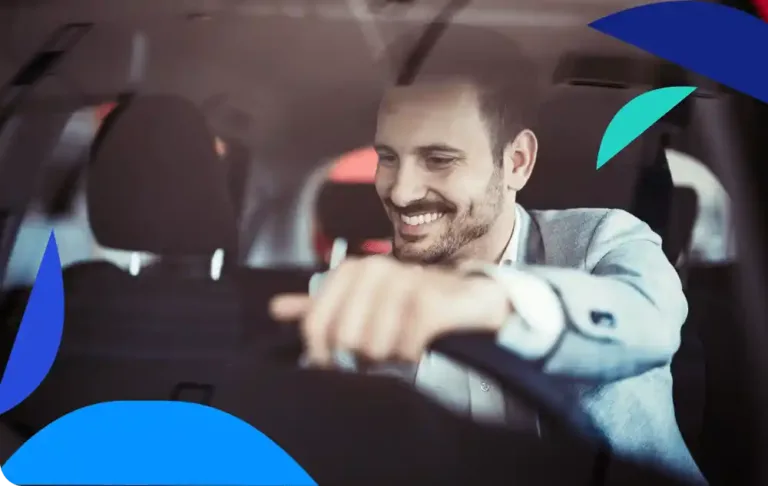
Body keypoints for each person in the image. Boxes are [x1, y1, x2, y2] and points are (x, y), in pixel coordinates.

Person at [270, 30, 705, 483]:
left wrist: (481, 300)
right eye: (388, 157)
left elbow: (649, 322)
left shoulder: (600, 239)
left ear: (517, 161)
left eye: (439, 159)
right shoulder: (350, 296)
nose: (401, 192)